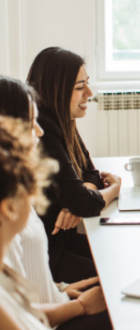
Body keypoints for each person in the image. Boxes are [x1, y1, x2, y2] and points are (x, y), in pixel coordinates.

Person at [0, 77, 112, 329]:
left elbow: (22, 301)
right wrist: (79, 306)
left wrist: (61, 290)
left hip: (56, 301)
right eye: (31, 124)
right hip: (57, 316)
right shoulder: (9, 207)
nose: (39, 131)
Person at [26, 47, 122, 282]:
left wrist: (79, 199)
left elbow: (90, 173)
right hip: (49, 254)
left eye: (86, 83)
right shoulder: (44, 129)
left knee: (119, 259)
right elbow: (84, 201)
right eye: (80, 87)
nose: (89, 92)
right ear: (55, 91)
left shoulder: (61, 119)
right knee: (115, 277)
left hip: (62, 240)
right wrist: (114, 189)